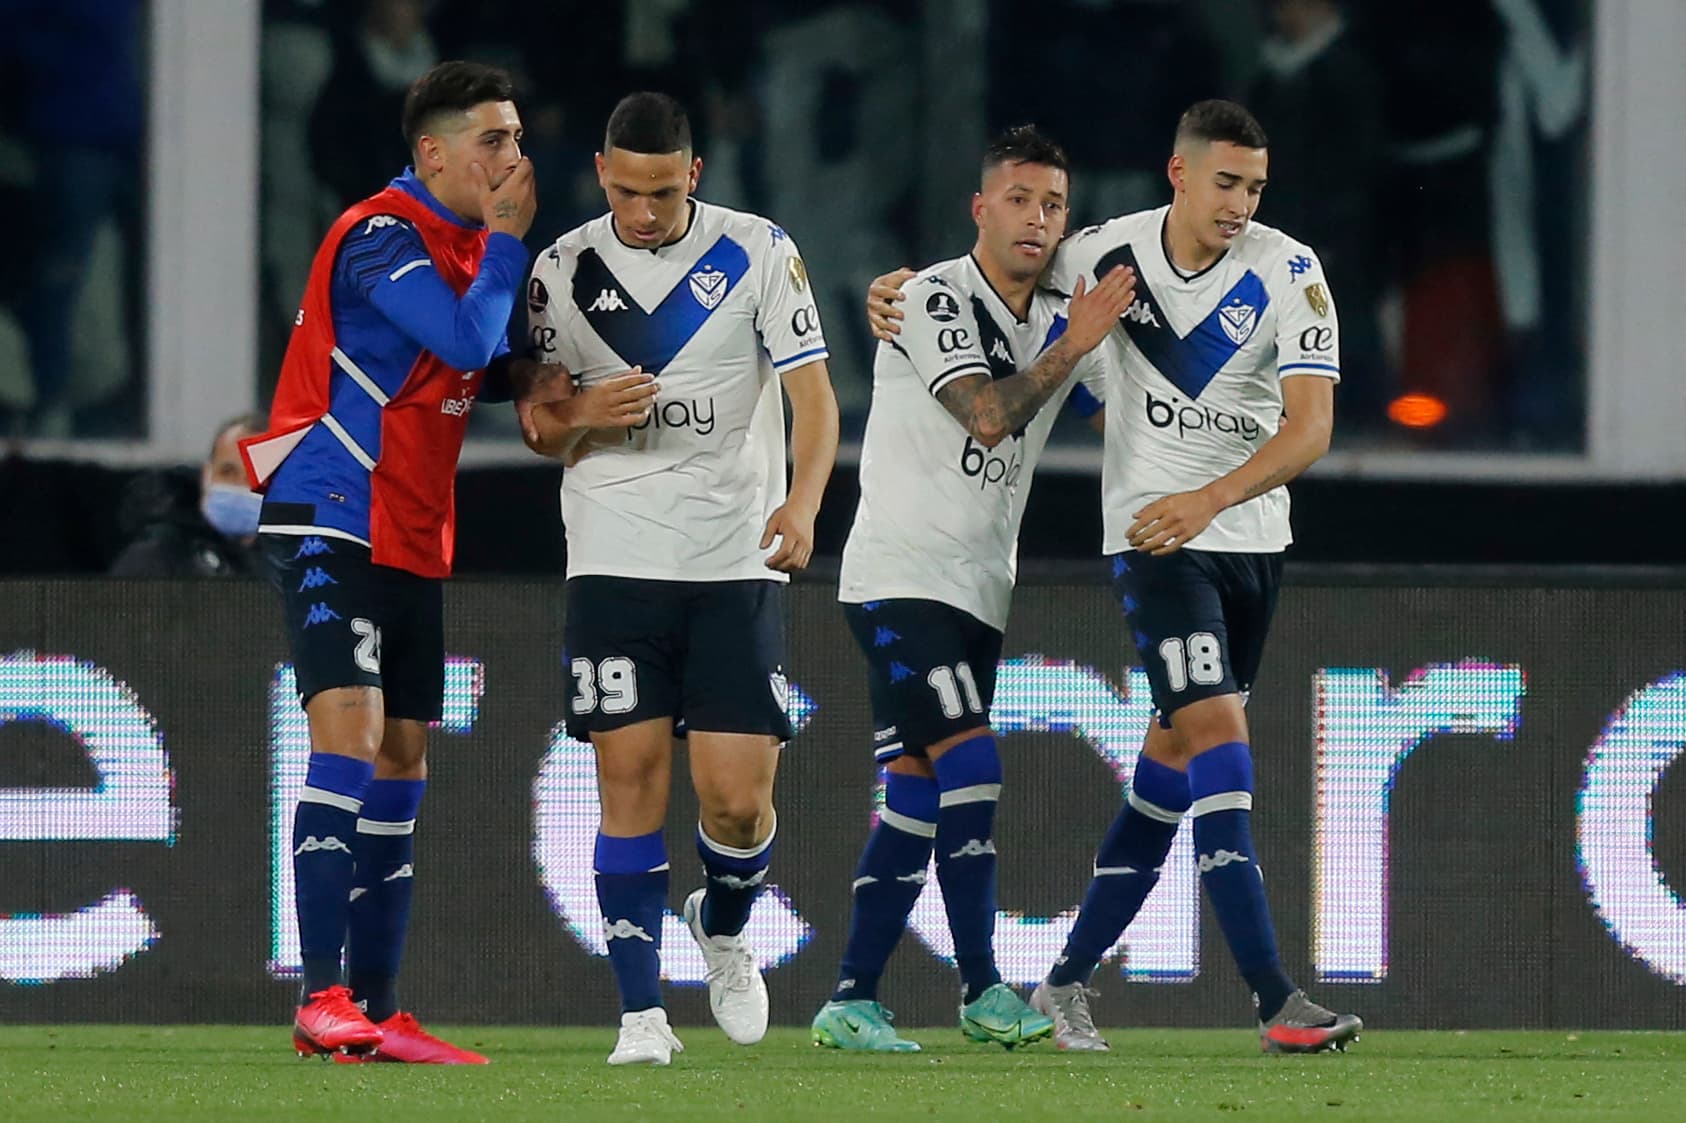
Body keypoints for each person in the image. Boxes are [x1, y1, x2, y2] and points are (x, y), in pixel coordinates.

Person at [868, 100, 1361, 1054]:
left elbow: (1311, 429)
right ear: (1177, 175)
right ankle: (1273, 1000)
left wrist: (1211, 500)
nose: (1240, 205)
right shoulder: (1107, 252)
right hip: (1152, 543)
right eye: (1225, 183)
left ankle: (1065, 979)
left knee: (1170, 770)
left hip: (1247, 538)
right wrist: (897, 289)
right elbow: (997, 254)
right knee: (1219, 734)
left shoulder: (1289, 270)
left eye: (1254, 187)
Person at [243, 59, 558, 1064]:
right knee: (352, 733)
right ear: (434, 153)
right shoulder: (382, 234)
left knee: (404, 757)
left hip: (412, 528)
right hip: (331, 502)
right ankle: (318, 993)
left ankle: (375, 1009)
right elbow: (463, 340)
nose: (514, 159)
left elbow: (457, 368)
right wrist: (509, 245)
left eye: (517, 138)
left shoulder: (464, 246)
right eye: (493, 141)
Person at [523, 91, 840, 1067]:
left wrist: (804, 506)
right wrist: (586, 412)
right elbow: (538, 426)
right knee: (627, 779)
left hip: (733, 556)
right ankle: (640, 1016)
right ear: (600, 173)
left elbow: (814, 398)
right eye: (627, 191)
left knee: (737, 801)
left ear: (694, 175)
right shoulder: (558, 271)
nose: (646, 211)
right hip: (615, 556)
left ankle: (725, 921)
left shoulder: (758, 251)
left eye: (663, 192)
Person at [808, 126, 1133, 1053]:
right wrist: (1075, 346)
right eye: (1020, 199)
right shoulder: (928, 297)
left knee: (914, 792)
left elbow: (1122, 401)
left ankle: (851, 998)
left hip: (979, 587)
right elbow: (987, 416)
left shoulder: (1056, 317)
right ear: (980, 207)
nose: (1037, 219)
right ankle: (984, 984)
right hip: (901, 575)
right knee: (972, 764)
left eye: (1053, 205)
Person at [110, 413, 266, 577]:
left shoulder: (288, 564)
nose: (239, 485)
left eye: (255, 476)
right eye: (228, 472)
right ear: (207, 475)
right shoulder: (156, 557)